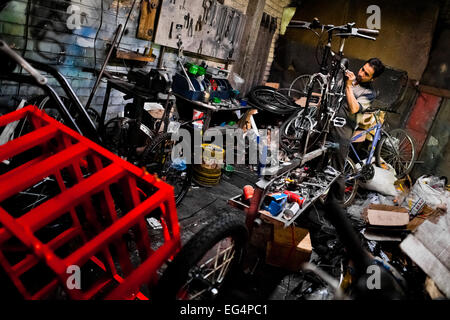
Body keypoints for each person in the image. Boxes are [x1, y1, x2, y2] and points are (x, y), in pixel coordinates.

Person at [329, 57, 385, 203]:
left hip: (343, 129)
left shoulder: (369, 93)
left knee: (337, 169)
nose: (361, 73)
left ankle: (337, 206)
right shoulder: (350, 77)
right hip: (328, 122)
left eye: (366, 74)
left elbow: (354, 108)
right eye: (362, 69)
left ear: (372, 79)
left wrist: (348, 86)